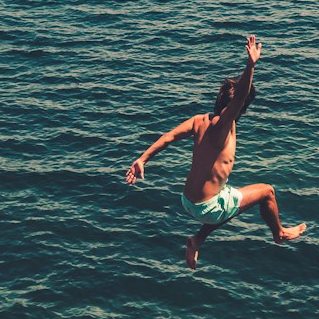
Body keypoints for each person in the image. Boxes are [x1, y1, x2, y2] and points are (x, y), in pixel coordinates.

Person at [125, 34, 307, 269]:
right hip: (207, 207)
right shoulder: (223, 125)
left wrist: (143, 159)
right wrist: (250, 65)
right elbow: (240, 97)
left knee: (230, 199)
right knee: (267, 192)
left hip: (188, 201)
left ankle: (196, 239)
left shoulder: (199, 120)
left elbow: (168, 137)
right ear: (239, 108)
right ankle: (279, 234)